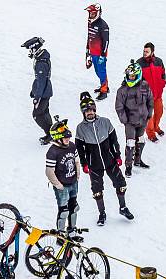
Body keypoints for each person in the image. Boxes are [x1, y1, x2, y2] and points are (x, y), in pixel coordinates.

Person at [74, 91, 134, 226]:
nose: (90, 113)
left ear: (95, 110)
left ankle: (123, 208)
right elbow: (80, 149)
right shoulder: (80, 129)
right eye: (86, 111)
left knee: (121, 184)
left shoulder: (105, 122)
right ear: (83, 113)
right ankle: (102, 213)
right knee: (97, 190)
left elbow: (114, 141)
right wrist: (84, 164)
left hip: (110, 160)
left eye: (91, 110)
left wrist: (117, 155)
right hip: (93, 164)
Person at [114, 60, 153, 177]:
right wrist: (125, 120)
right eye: (129, 76)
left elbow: (150, 100)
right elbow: (119, 107)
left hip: (142, 120)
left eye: (133, 76)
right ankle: (128, 166)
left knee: (141, 140)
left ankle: (138, 160)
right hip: (130, 122)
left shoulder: (145, 86)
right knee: (130, 143)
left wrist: (149, 114)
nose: (130, 78)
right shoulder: (122, 90)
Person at [45, 116, 81, 233]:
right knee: (64, 211)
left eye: (68, 137)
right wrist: (58, 185)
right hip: (62, 185)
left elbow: (76, 161)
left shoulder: (72, 146)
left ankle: (72, 230)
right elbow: (49, 171)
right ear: (57, 138)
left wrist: (78, 175)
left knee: (73, 207)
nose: (68, 139)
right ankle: (60, 234)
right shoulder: (52, 151)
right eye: (65, 137)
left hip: (73, 182)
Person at [21, 37, 54, 145]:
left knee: (37, 114)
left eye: (30, 50)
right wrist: (33, 90)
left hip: (43, 93)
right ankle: (52, 134)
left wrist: (37, 98)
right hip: (45, 90)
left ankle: (50, 135)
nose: (29, 53)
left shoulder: (41, 63)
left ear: (34, 49)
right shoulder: (42, 58)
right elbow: (39, 80)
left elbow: (41, 81)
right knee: (44, 112)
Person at [137, 42, 166, 143]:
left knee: (159, 112)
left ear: (152, 52)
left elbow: (163, 74)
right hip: (146, 96)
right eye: (144, 51)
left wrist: (162, 83)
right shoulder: (139, 63)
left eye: (147, 51)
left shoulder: (159, 61)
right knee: (149, 116)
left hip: (158, 94)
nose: (144, 53)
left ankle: (156, 127)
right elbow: (136, 80)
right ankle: (151, 134)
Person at [85, 3, 110, 101]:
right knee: (97, 71)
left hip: (100, 54)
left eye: (93, 13)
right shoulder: (90, 22)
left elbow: (106, 41)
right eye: (90, 13)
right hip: (93, 52)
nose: (91, 15)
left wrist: (103, 55)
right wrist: (87, 51)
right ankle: (104, 86)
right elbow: (89, 37)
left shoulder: (103, 25)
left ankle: (104, 91)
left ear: (98, 13)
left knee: (101, 71)